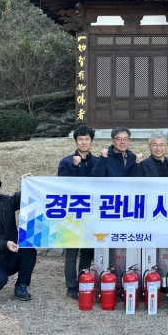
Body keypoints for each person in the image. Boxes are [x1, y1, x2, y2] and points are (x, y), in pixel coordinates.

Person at [58, 125, 98, 299]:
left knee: (88, 252)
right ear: (75, 141)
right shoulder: (66, 162)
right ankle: (71, 286)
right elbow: (63, 186)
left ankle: (84, 281)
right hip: (73, 213)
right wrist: (75, 167)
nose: (84, 142)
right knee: (71, 253)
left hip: (93, 213)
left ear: (91, 141)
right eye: (80, 139)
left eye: (87, 139)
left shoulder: (98, 161)